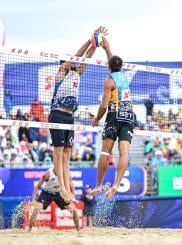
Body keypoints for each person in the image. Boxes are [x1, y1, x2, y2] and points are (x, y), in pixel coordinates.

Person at [49, 26, 108, 203]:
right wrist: (88, 39)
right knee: (59, 154)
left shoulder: (77, 73)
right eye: (70, 60)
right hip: (57, 115)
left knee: (67, 155)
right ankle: (62, 189)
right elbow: (77, 56)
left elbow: (87, 58)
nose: (73, 62)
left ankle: (67, 190)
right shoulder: (61, 72)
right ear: (64, 63)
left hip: (69, 117)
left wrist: (96, 42)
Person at [90, 36, 136, 199]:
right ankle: (116, 184)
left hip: (115, 115)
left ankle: (99, 185)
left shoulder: (109, 81)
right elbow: (114, 64)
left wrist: (96, 119)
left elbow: (104, 105)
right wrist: (107, 48)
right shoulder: (123, 76)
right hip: (129, 115)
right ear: (120, 66)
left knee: (105, 152)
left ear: (109, 67)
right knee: (124, 152)